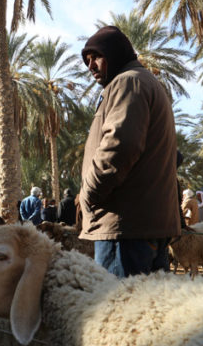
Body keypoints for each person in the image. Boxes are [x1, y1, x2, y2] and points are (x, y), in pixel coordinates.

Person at [79, 25, 179, 278]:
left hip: (125, 227)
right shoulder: (142, 82)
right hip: (144, 226)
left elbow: (120, 146)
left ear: (115, 54)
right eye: (87, 60)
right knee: (149, 314)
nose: (90, 66)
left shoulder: (128, 82)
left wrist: (88, 193)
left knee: (118, 310)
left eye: (96, 57)